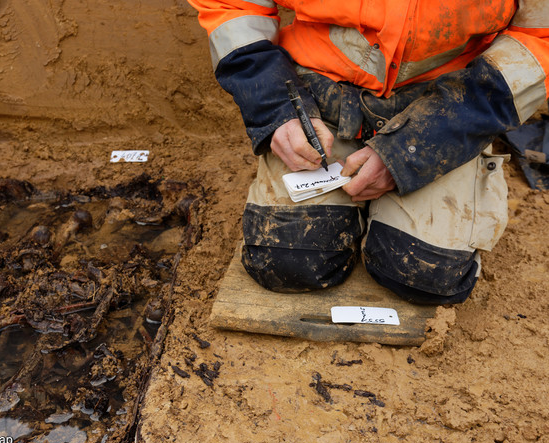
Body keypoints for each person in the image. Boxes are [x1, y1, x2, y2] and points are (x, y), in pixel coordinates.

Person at [187, 0, 549, 304]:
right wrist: (276, 107)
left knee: (423, 272)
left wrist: (413, 150)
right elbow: (233, 6)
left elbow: (539, 40)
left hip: (447, 111)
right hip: (318, 97)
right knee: (289, 261)